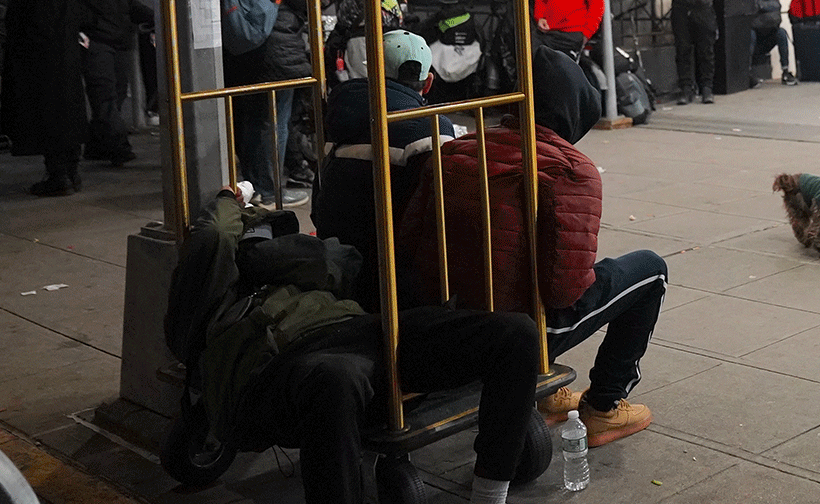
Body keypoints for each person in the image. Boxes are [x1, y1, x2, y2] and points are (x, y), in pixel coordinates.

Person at [192, 187, 540, 504]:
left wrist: (280, 254)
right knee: (337, 376)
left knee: (515, 332)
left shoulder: (299, 269)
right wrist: (228, 197)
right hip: (281, 364)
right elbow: (215, 234)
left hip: (359, 332)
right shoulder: (215, 286)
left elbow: (345, 261)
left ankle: (490, 497)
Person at [400, 46, 667, 448]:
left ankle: (548, 392)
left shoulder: (455, 150)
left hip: (448, 319)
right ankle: (604, 406)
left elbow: (408, 246)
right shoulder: (569, 169)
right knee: (650, 269)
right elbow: (565, 292)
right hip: (522, 332)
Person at [312, 30, 454, 313]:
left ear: (371, 71)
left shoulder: (334, 115)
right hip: (398, 274)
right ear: (428, 83)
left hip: (336, 258)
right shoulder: (430, 128)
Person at [218, 0, 312, 209]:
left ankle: (251, 185)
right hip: (276, 54)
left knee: (247, 121)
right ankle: (269, 191)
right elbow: (304, 0)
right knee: (274, 123)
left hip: (236, 53)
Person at [0, 0, 88, 196]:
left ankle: (58, 175)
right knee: (67, 117)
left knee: (49, 120)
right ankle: (70, 173)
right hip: (67, 59)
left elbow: (36, 26)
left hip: (42, 64)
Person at [73, 0, 153, 166]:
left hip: (115, 40)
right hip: (95, 40)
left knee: (114, 94)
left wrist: (156, 16)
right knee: (105, 94)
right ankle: (118, 146)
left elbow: (126, 2)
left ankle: (98, 145)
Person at [734, 0, 796, 86]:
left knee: (781, 33)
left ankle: (786, 71)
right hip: (750, 41)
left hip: (765, 37)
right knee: (750, 33)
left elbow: (776, 4)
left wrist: (759, 6)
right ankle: (747, 73)